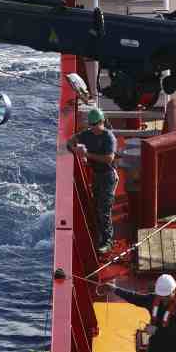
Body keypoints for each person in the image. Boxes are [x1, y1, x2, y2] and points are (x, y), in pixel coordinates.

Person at [66, 108, 117, 254]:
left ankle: (108, 241)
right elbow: (70, 141)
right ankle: (100, 235)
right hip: (96, 175)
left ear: (102, 122)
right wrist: (75, 149)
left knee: (104, 209)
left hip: (107, 176)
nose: (93, 127)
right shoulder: (87, 134)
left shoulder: (109, 137)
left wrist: (87, 154)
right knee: (96, 205)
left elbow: (109, 158)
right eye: (91, 124)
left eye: (95, 124)